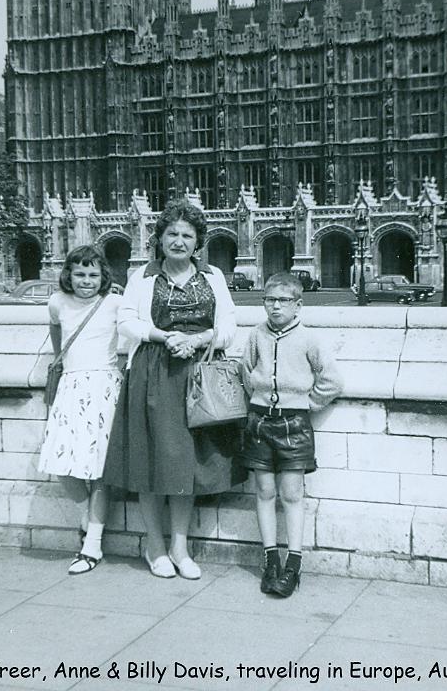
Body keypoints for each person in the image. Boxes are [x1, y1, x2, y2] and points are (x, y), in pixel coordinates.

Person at [104, 199, 245, 580]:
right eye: (172, 234)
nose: (179, 241)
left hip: (198, 374)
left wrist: (200, 338)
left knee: (188, 463)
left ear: (197, 242)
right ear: (160, 238)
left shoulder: (213, 276)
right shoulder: (143, 277)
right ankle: (155, 546)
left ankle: (180, 548)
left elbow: (230, 323)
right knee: (152, 460)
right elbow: (127, 320)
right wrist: (163, 336)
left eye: (187, 235)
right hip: (154, 372)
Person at [240, 272, 343, 597]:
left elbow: (332, 381)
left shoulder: (309, 339)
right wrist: (258, 400)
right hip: (259, 422)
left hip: (294, 425)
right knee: (264, 490)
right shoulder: (256, 335)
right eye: (270, 300)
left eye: (283, 301)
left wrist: (305, 404)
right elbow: (246, 371)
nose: (275, 307)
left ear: (298, 306)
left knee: (292, 494)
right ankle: (270, 559)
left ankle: (293, 565)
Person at [38, 245, 122, 575]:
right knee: (61, 463)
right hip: (71, 387)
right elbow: (56, 328)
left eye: (93, 275)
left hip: (103, 386)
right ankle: (88, 512)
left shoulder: (115, 301)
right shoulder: (57, 301)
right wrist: (62, 359)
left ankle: (93, 544)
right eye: (79, 274)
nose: (86, 281)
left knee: (99, 469)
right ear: (68, 275)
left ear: (103, 277)